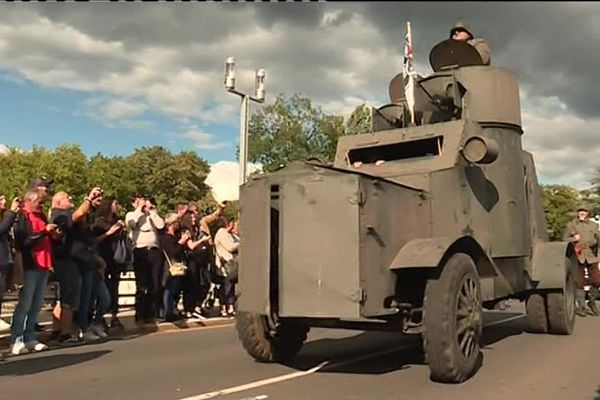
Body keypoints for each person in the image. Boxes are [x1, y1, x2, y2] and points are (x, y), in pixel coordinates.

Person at [10, 190, 59, 355]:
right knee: (25, 303)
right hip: (30, 264)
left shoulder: (41, 216)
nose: (41, 203)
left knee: (36, 304)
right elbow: (24, 242)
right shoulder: (22, 217)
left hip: (44, 264)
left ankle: (30, 336)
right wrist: (44, 232)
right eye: (38, 200)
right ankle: (16, 339)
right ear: (28, 201)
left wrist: (52, 234)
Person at [563, 203, 600, 316]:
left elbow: (598, 238)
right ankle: (581, 306)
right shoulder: (571, 225)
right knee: (579, 282)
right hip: (578, 255)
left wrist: (596, 241)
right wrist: (574, 238)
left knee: (597, 280)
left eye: (584, 211)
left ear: (588, 213)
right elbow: (564, 239)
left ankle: (592, 301)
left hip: (591, 254)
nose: (582, 213)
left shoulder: (593, 225)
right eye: (580, 211)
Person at [0, 194, 20, 331]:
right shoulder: (7, 218)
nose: (4, 201)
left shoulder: (5, 217)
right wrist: (11, 213)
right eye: (0, 199)